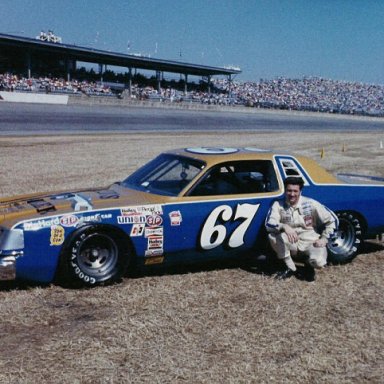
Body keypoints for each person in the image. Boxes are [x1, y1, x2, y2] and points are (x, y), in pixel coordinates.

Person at [265, 176, 338, 281]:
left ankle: (308, 265)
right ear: (285, 191)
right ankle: (290, 267)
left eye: (295, 191)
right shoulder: (278, 205)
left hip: (311, 241)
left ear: (300, 191)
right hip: (292, 241)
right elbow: (269, 223)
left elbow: (333, 220)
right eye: (289, 190)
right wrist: (284, 226)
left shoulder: (311, 203)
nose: (292, 194)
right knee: (273, 237)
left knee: (319, 261)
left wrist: (324, 238)